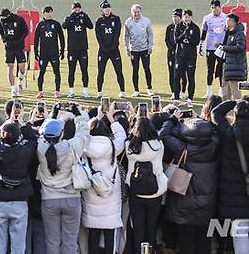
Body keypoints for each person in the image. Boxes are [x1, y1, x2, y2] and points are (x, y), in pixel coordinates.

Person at [211, 82, 249, 254]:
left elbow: (216, 113)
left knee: (240, 234)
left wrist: (233, 101)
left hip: (233, 193)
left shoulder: (228, 134)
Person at [159, 109, 218, 254]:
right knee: (204, 241)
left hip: (183, 204)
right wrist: (200, 120)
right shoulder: (214, 145)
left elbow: (164, 134)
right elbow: (216, 130)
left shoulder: (182, 148)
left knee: (186, 242)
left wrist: (175, 120)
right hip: (207, 203)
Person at [36, 108, 90, 254]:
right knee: (70, 242)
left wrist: (54, 116)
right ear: (62, 134)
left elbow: (42, 132)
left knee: (52, 242)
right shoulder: (71, 147)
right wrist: (78, 115)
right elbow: (84, 134)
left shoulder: (41, 147)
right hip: (71, 199)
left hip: (49, 200)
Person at [0, 120, 37, 254]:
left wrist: (9, 124)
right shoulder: (25, 151)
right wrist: (25, 124)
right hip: (19, 202)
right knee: (18, 246)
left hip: (0, 202)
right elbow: (32, 140)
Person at [82, 109, 127, 254]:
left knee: (93, 236)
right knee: (110, 237)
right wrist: (112, 120)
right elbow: (122, 135)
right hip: (111, 196)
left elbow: (80, 133)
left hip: (91, 195)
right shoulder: (113, 146)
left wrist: (96, 118)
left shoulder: (84, 146)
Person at [125, 115, 168, 254]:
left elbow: (126, 139)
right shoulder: (159, 146)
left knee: (138, 228)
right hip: (155, 192)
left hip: (136, 192)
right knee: (151, 228)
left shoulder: (130, 147)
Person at [94, 0, 126, 99]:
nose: (107, 11)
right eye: (105, 9)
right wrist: (103, 47)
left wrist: (113, 46)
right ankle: (99, 92)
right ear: (102, 10)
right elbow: (98, 36)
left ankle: (122, 91)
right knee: (101, 71)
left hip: (114, 49)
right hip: (103, 50)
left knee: (118, 70)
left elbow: (117, 33)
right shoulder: (99, 21)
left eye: (108, 9)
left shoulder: (116, 19)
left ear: (110, 9)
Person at [62, 1, 93, 99]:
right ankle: (71, 91)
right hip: (72, 49)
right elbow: (64, 26)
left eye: (78, 8)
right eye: (75, 8)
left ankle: (85, 91)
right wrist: (72, 16)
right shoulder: (69, 18)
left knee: (84, 70)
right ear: (72, 9)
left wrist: (84, 16)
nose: (77, 10)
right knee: (71, 71)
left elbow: (91, 26)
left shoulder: (84, 17)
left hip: (83, 48)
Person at [34, 6, 65, 99]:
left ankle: (57, 91)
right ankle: (40, 91)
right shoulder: (40, 25)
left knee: (56, 72)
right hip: (43, 53)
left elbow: (61, 38)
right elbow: (36, 39)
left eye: (50, 12)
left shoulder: (56, 24)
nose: (49, 14)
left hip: (54, 53)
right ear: (44, 13)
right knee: (41, 72)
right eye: (47, 12)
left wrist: (62, 50)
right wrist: (36, 52)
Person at [124, 4, 154, 97]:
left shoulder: (146, 21)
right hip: (134, 50)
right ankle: (136, 90)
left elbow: (150, 34)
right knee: (135, 70)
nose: (136, 14)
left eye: (137, 12)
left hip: (145, 49)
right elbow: (126, 36)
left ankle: (149, 88)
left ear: (140, 12)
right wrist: (126, 47)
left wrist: (150, 46)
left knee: (146, 68)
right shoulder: (128, 22)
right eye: (134, 12)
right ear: (131, 12)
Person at [0, 8, 29, 98]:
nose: (3, 19)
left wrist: (19, 40)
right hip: (9, 47)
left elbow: (26, 31)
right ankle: (13, 89)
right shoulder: (2, 21)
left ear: (8, 15)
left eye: (4, 17)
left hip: (19, 46)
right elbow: (0, 30)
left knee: (22, 67)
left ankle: (20, 81)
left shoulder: (19, 19)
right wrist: (4, 40)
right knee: (10, 66)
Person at [173, 9, 200, 107]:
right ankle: (176, 99)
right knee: (176, 77)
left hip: (191, 57)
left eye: (189, 16)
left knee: (191, 77)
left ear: (191, 17)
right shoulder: (178, 26)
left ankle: (190, 99)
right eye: (185, 16)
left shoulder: (195, 28)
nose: (187, 18)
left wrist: (189, 38)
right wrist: (185, 33)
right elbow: (176, 40)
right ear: (183, 17)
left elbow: (196, 42)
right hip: (180, 56)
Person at [200, 0, 227, 98]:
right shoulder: (207, 18)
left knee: (221, 69)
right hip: (210, 48)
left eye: (215, 8)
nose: (214, 10)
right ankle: (209, 91)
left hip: (221, 48)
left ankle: (221, 91)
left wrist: (224, 45)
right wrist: (201, 44)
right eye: (212, 8)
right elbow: (204, 32)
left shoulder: (225, 17)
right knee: (210, 69)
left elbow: (228, 32)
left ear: (220, 7)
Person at [217, 13, 247, 101]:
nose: (226, 22)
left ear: (234, 22)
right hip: (227, 66)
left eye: (228, 20)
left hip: (235, 67)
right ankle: (225, 111)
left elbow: (240, 47)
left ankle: (238, 111)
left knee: (235, 91)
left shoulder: (239, 34)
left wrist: (224, 48)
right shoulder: (228, 33)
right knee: (225, 90)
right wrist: (220, 46)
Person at [165, 8, 186, 100]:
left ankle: (182, 91)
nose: (175, 18)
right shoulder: (169, 27)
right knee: (172, 73)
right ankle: (173, 92)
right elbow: (167, 40)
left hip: (182, 54)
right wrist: (172, 49)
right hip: (171, 53)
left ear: (181, 18)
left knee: (182, 73)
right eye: (173, 17)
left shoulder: (184, 27)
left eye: (177, 17)